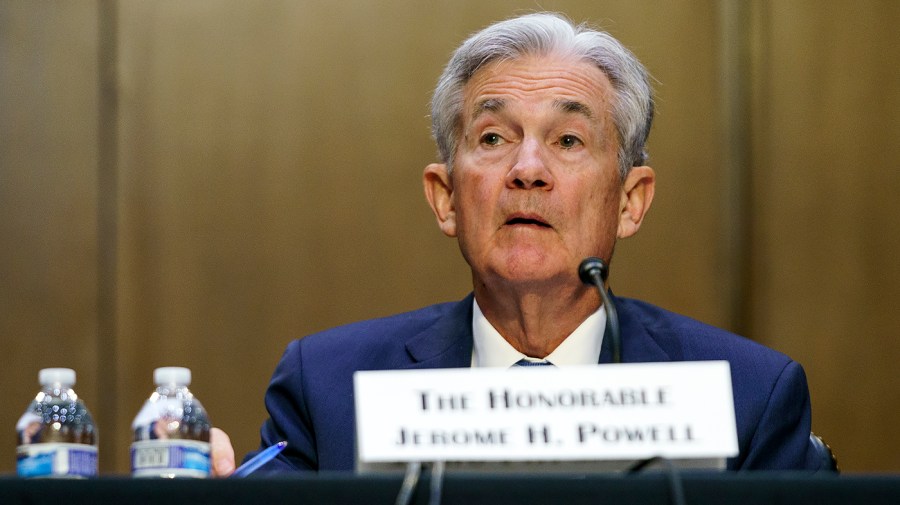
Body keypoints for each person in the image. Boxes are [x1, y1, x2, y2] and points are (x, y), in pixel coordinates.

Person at [209, 12, 822, 475]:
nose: (528, 169)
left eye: (569, 141)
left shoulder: (745, 398)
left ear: (631, 201)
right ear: (446, 198)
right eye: (495, 138)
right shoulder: (330, 389)